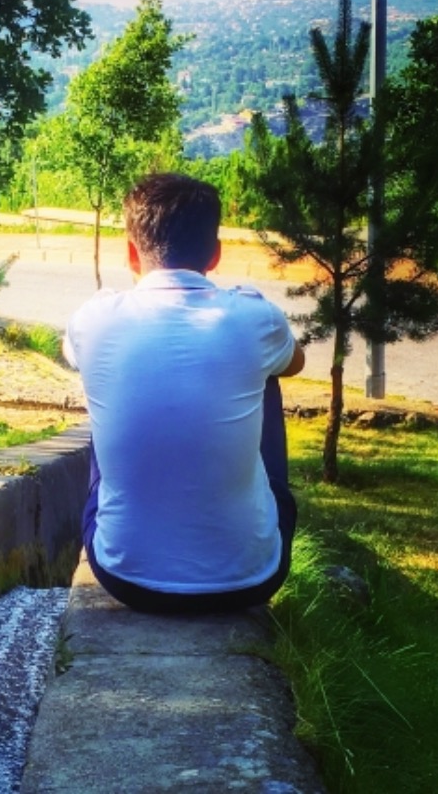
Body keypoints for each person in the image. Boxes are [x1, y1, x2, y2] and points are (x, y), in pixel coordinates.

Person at [63, 172, 305, 614]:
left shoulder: (93, 318)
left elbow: (72, 356)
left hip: (124, 577)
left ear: (131, 253)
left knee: (107, 381)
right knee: (268, 373)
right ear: (215, 253)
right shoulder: (257, 318)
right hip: (250, 580)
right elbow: (296, 362)